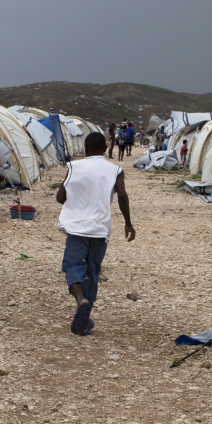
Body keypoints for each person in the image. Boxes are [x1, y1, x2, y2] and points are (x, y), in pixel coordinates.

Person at [56, 132, 135, 336]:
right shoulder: (115, 170)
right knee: (92, 271)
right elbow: (123, 197)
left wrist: (78, 199)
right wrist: (128, 223)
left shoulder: (74, 166)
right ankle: (84, 318)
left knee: (73, 266)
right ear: (104, 148)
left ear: (86, 148)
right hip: (100, 228)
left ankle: (80, 300)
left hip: (76, 227)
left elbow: (60, 197)